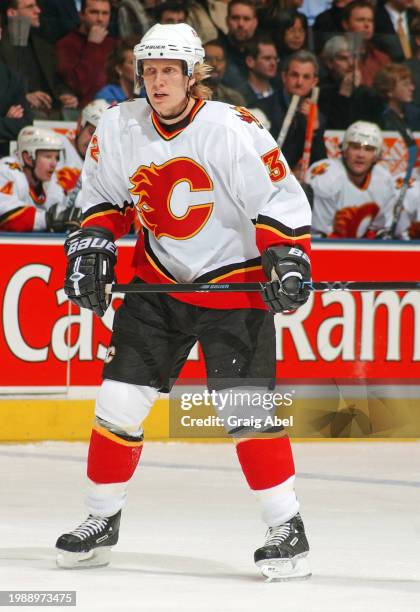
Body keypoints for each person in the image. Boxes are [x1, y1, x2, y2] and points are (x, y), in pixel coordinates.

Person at [56, 23, 312, 581]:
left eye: (169, 70)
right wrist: (92, 243)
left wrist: (287, 258)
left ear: (194, 76)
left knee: (245, 413)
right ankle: (100, 519)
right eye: (148, 70)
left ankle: (285, 525)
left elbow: (278, 199)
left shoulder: (232, 128)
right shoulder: (119, 125)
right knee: (119, 403)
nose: (157, 81)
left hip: (234, 284)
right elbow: (103, 196)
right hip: (159, 285)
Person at [307, 121, 395, 238]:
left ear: (377, 155)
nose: (361, 155)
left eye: (368, 149)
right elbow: (319, 235)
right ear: (344, 149)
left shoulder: (384, 180)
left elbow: (379, 232)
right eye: (355, 147)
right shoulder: (327, 177)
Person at [0, 0, 78, 119]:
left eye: (36, 6)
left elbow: (56, 80)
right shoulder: (2, 45)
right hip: (17, 111)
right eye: (30, 7)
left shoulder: (43, 45)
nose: (38, 10)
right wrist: (24, 97)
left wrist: (66, 95)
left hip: (52, 109)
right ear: (12, 13)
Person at [0, 125, 79, 231]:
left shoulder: (51, 181)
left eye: (56, 157)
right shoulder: (7, 170)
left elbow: (63, 211)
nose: (54, 164)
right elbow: (4, 214)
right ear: (28, 158)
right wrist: (48, 219)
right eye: (47, 156)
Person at [56, 0, 117, 107]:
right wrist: (93, 45)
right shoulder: (67, 44)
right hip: (82, 111)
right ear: (81, 15)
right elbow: (78, 87)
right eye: (94, 12)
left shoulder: (114, 44)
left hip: (112, 107)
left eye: (105, 13)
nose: (100, 19)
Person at [53, 99, 109, 208]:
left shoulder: (102, 164)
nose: (93, 142)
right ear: (79, 125)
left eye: (100, 138)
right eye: (91, 132)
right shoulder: (58, 145)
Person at [341, 0, 391, 88]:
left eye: (370, 20)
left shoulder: (382, 59)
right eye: (360, 20)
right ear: (345, 24)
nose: (367, 25)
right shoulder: (337, 56)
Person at [220, 0, 259, 90]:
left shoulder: (264, 52)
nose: (241, 24)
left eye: (246, 19)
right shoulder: (217, 51)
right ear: (227, 21)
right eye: (235, 18)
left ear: (255, 22)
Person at [203, 39, 245, 105]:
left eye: (219, 59)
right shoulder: (189, 96)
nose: (214, 64)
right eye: (208, 59)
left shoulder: (234, 99)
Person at [95, 38, 136, 103]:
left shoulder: (146, 93)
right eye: (132, 63)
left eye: (141, 62)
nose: (140, 67)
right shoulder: (106, 97)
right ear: (119, 69)